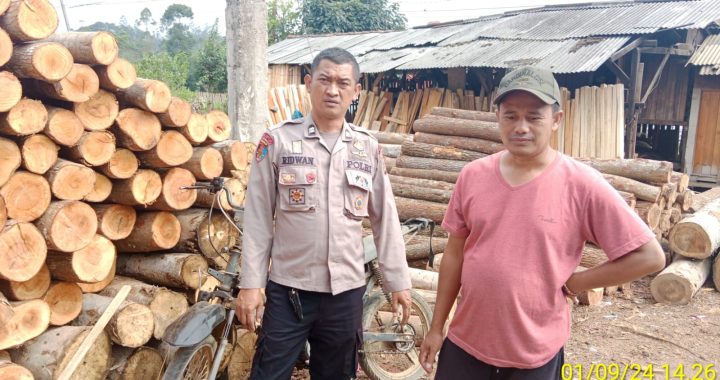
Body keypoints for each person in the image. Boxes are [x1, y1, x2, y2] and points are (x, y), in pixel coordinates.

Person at [418, 66, 666, 379]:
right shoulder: (473, 175)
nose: (521, 127)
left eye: (534, 116)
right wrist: (437, 327)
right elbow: (454, 254)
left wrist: (577, 282)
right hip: (465, 345)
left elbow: (650, 256)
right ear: (498, 118)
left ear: (556, 120)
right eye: (511, 115)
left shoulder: (582, 184)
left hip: (534, 356)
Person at [236, 47, 413, 380]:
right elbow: (258, 220)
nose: (333, 90)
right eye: (324, 80)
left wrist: (399, 282)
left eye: (343, 83)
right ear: (308, 83)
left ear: (356, 91)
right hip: (289, 291)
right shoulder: (277, 142)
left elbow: (384, 220)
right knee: (268, 373)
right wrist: (251, 285)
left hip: (344, 295)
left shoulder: (367, 147)